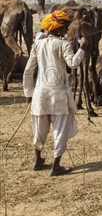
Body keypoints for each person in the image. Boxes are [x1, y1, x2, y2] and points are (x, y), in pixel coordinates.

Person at [23, 10, 87, 176]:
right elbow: (73, 64)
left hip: (40, 95)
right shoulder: (63, 44)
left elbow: (28, 71)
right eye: (65, 26)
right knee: (60, 130)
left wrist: (28, 93)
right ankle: (56, 166)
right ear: (58, 28)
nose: (66, 30)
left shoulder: (37, 45)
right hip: (59, 96)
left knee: (39, 130)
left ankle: (38, 160)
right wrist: (82, 48)